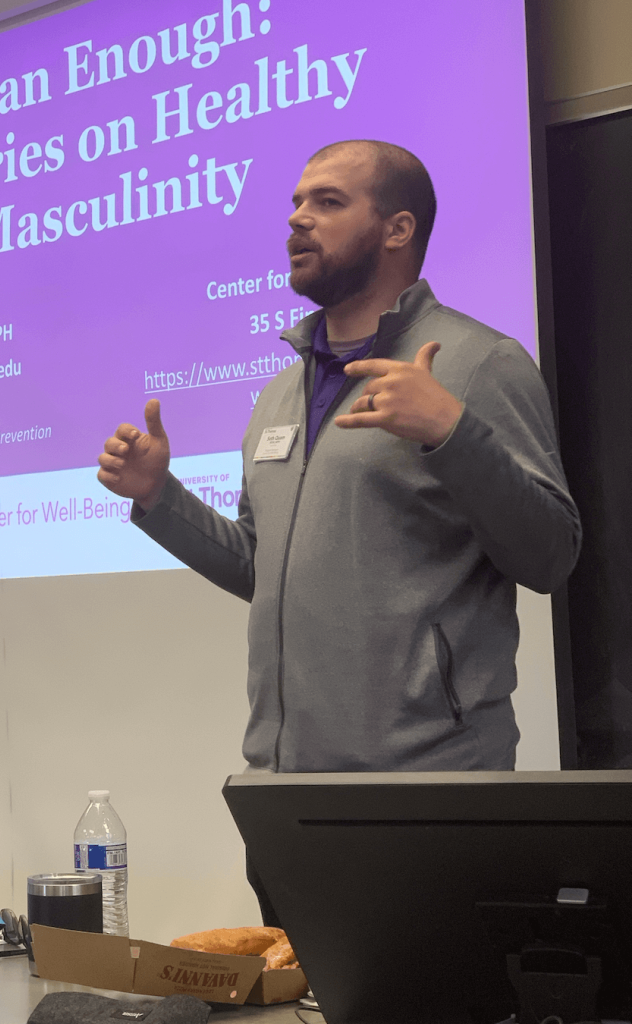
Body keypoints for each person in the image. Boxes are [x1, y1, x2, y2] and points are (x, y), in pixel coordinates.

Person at [97, 140, 581, 777]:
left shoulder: (479, 363)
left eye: (327, 202)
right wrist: (159, 498)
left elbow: (551, 555)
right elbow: (259, 568)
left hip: (431, 776)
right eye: (297, 202)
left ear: (397, 229)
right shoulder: (279, 393)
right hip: (283, 779)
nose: (298, 217)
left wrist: (450, 431)